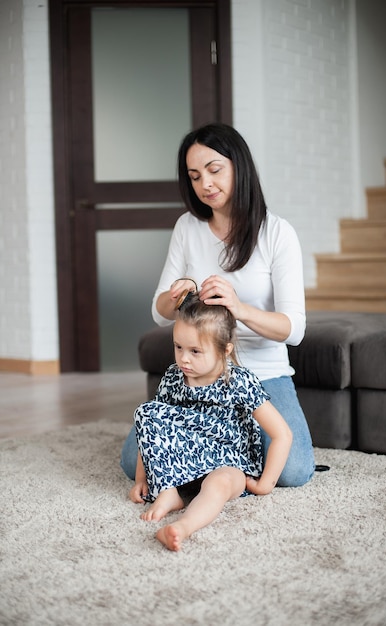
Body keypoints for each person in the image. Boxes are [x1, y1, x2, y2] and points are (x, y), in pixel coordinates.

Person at [121, 122, 315, 487]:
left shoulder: (277, 233)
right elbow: (159, 313)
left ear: (238, 166)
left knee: (293, 471)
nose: (205, 184)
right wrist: (176, 295)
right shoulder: (187, 228)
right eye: (194, 176)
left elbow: (294, 329)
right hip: (201, 372)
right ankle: (225, 466)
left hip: (262, 374)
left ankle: (204, 464)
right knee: (134, 461)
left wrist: (239, 309)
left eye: (214, 170)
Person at [129, 294, 293, 551]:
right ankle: (168, 492)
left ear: (224, 350)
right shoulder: (174, 376)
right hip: (186, 457)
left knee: (219, 484)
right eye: (178, 347)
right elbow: (153, 427)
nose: (184, 359)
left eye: (195, 351)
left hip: (230, 460)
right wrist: (143, 477)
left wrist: (265, 484)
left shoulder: (239, 381)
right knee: (147, 412)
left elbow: (282, 434)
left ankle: (182, 527)